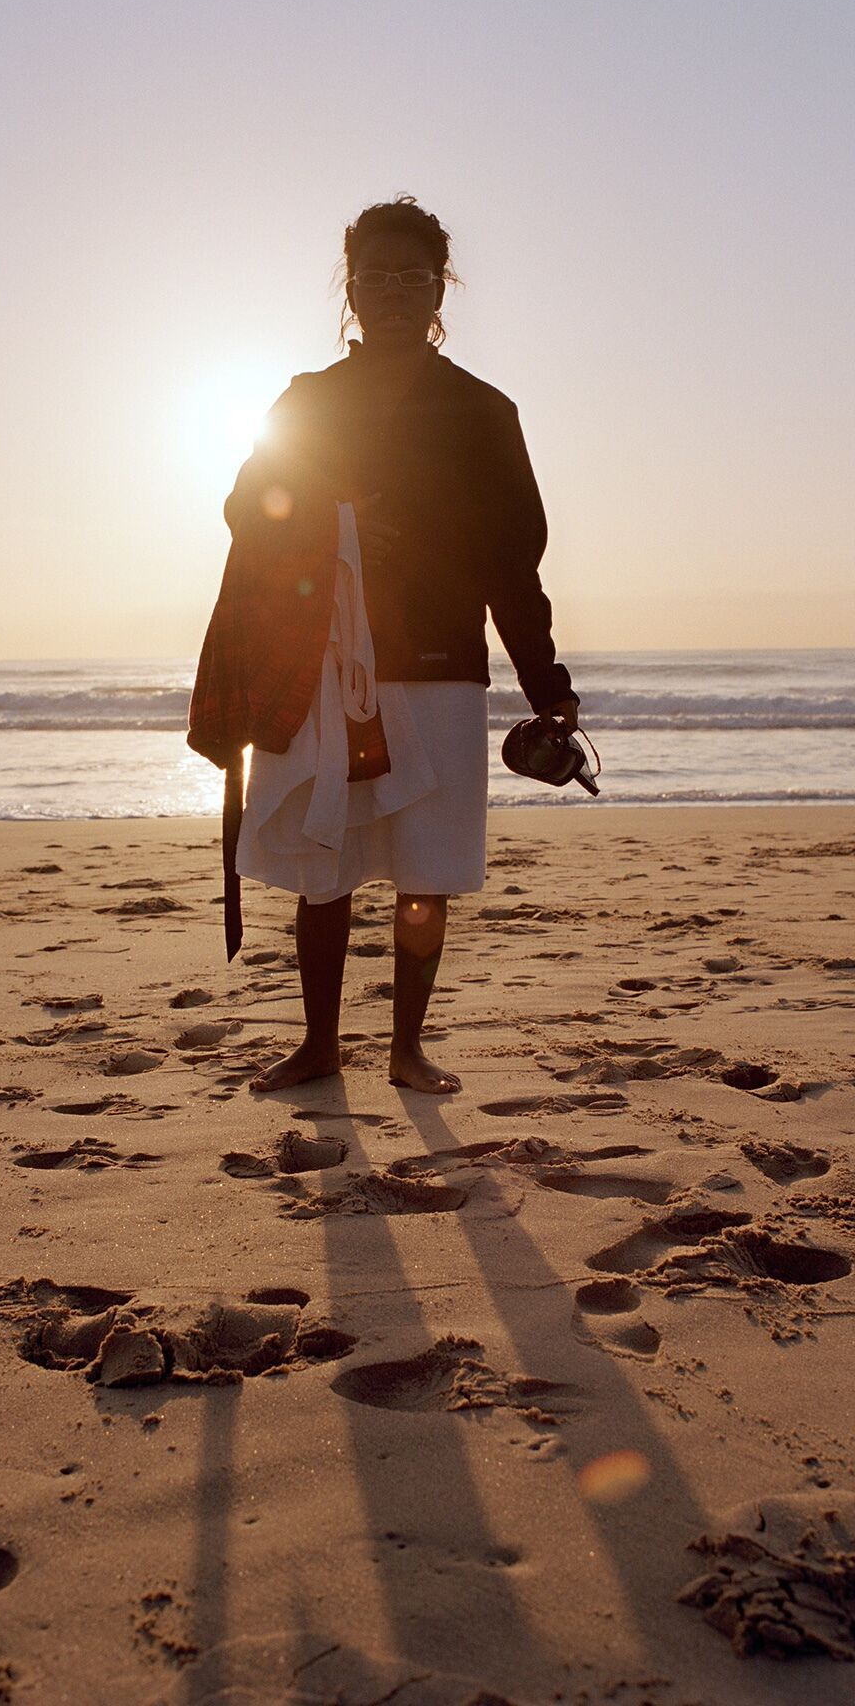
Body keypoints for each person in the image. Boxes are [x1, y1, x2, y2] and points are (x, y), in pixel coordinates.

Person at [198, 195, 579, 1095]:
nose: (393, 291)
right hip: (326, 666)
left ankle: (409, 1048)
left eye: (413, 275)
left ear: (440, 285)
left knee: (424, 869)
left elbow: (513, 561)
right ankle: (320, 1045)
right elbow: (245, 509)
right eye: (376, 276)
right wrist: (338, 523)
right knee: (322, 865)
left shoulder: (483, 412)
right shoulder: (310, 400)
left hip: (442, 667)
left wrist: (545, 682)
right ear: (352, 288)